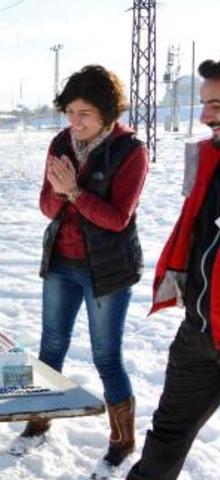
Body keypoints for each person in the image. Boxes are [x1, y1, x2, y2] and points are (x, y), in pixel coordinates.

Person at [10, 65, 149, 471]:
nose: (74, 122)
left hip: (107, 270)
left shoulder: (130, 152)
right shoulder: (61, 143)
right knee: (51, 346)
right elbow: (47, 208)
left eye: (84, 113)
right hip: (61, 263)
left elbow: (117, 218)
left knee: (107, 356)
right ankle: (39, 417)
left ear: (108, 113)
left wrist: (74, 191)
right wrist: (59, 194)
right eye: (69, 111)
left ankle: (122, 439)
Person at [127, 59, 220, 480]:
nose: (205, 115)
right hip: (200, 334)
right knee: (166, 438)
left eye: (216, 104)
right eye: (205, 104)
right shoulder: (208, 161)